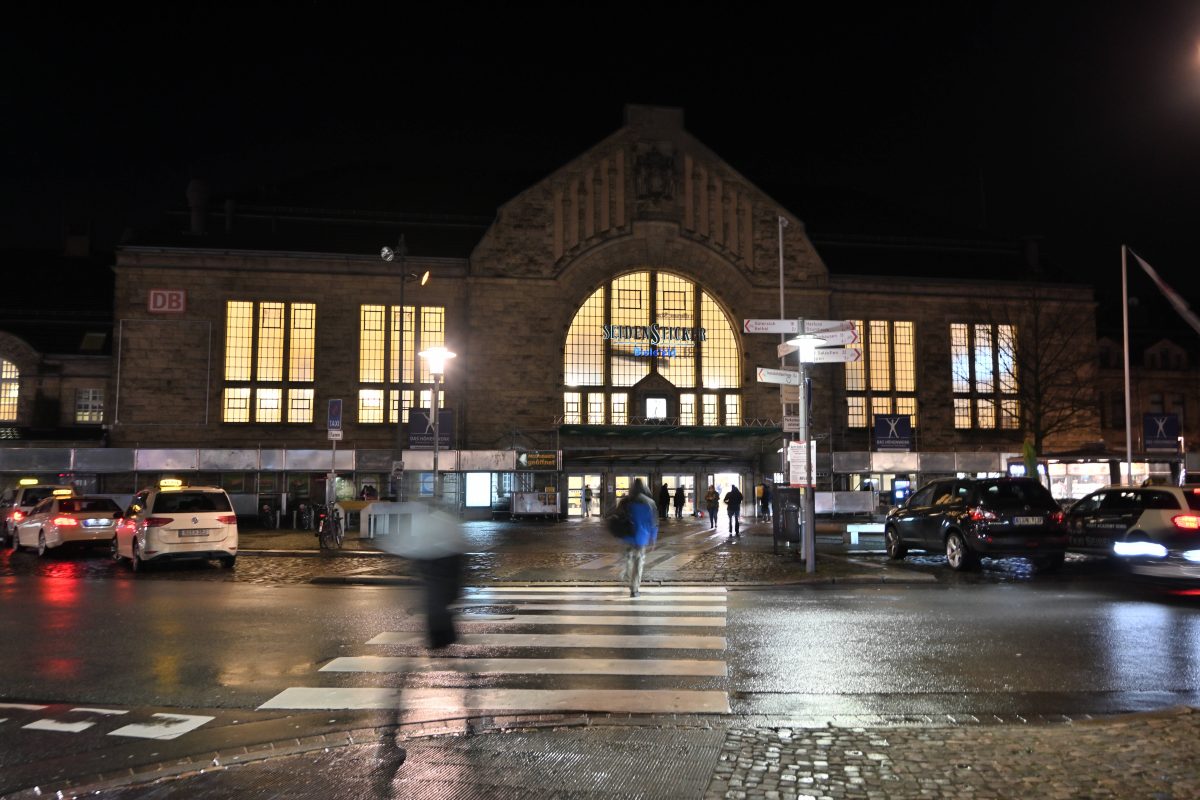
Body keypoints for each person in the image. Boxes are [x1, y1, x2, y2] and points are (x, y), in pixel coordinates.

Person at [618, 479, 658, 597]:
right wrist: (653, 538)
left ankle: (626, 574)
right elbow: (653, 523)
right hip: (642, 537)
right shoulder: (649, 503)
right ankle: (634, 589)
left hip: (628, 536)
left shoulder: (626, 501)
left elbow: (619, 517)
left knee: (629, 559)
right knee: (639, 562)